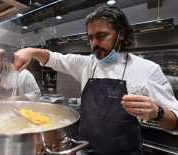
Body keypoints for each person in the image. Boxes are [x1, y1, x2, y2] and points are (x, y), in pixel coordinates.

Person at [13, 6, 178, 154]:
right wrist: (31, 51)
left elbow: (175, 121)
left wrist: (157, 113)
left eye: (101, 36)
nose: (94, 44)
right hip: (83, 150)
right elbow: (56, 59)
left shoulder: (147, 69)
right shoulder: (86, 64)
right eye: (91, 38)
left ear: (121, 34)